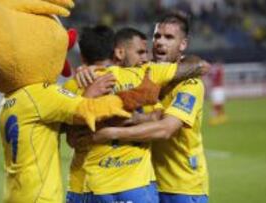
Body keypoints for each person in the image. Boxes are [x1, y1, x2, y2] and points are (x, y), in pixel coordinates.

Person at [64, 24, 209, 203]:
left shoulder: (73, 85)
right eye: (140, 52)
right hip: (138, 185)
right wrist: (145, 117)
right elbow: (199, 66)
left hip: (87, 185)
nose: (145, 58)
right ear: (117, 52)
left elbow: (70, 137)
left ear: (83, 56)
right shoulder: (145, 77)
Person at [208, 61, 227, 125]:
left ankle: (218, 118)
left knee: (218, 104)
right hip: (217, 88)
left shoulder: (216, 71)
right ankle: (218, 118)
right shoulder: (218, 71)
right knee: (217, 104)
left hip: (217, 88)